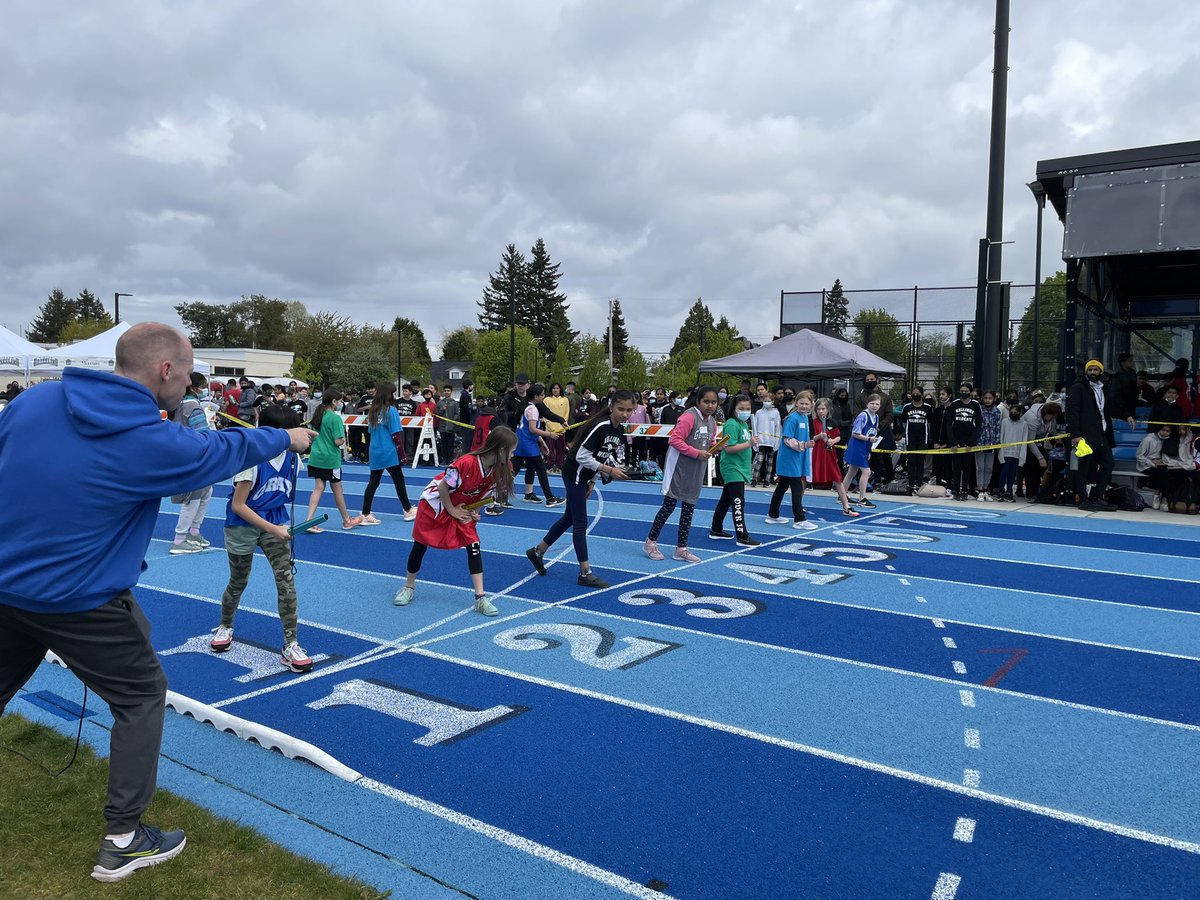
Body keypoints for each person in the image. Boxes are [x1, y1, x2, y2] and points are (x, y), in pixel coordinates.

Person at [0, 322, 314, 882]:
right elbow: (219, 448)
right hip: (79, 599)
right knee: (143, 697)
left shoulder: (36, 399)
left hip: (7, 587)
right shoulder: (149, 440)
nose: (193, 381)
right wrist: (285, 437)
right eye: (189, 371)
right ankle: (124, 839)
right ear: (164, 370)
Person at [212, 404, 314, 673]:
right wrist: (273, 529)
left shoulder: (294, 458)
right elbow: (238, 505)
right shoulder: (252, 459)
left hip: (276, 520)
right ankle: (226, 626)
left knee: (286, 581)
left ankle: (290, 644)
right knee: (238, 579)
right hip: (242, 525)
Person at [394, 427, 517, 616]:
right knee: (420, 544)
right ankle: (408, 586)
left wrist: (475, 512)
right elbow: (443, 487)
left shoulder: (499, 469)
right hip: (436, 505)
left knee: (474, 544)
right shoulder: (465, 463)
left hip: (463, 505)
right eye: (512, 451)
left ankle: (480, 598)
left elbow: (483, 493)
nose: (513, 456)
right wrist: (451, 510)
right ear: (501, 450)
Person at [526, 391, 634, 588]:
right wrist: (609, 470)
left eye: (629, 410)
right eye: (621, 409)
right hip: (574, 474)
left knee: (569, 518)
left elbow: (600, 456)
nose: (625, 414)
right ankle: (585, 572)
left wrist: (592, 481)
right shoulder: (600, 427)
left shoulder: (619, 430)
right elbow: (582, 456)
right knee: (580, 522)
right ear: (611, 407)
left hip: (584, 477)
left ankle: (538, 551)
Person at [644, 385, 720, 563]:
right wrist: (696, 453)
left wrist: (715, 449)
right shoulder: (688, 417)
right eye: (706, 401)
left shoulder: (712, 422)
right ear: (698, 401)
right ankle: (650, 542)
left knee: (688, 509)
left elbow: (708, 444)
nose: (710, 405)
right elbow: (675, 440)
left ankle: (681, 548)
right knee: (669, 507)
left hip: (695, 470)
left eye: (714, 402)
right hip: (678, 468)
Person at [1066, 359, 1128, 511]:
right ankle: (1083, 498)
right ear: (1086, 372)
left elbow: (1107, 410)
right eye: (1090, 370)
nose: (1092, 372)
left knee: (1108, 463)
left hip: (1102, 434)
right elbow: (1072, 412)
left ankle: (1097, 496)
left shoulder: (1104, 388)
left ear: (1101, 371)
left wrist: (1126, 415)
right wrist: (1075, 435)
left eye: (1095, 370)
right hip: (1085, 435)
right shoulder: (1078, 388)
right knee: (1084, 467)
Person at [168, 373, 217, 554]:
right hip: (193, 458)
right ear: (195, 388)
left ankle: (193, 532)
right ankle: (180, 539)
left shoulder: (177, 404)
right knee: (193, 497)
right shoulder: (192, 407)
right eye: (203, 386)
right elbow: (203, 435)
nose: (205, 390)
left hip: (183, 455)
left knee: (205, 492)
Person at [303, 390, 363, 531]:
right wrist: (342, 439)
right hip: (330, 459)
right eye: (339, 401)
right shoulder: (334, 418)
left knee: (318, 487)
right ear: (334, 402)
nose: (341, 404)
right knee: (337, 489)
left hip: (316, 457)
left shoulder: (317, 416)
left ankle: (309, 520)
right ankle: (347, 520)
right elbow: (337, 441)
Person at [359, 381, 416, 524]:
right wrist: (402, 455)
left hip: (375, 450)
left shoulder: (373, 411)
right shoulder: (391, 410)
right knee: (399, 480)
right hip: (389, 451)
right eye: (393, 392)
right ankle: (408, 510)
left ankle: (365, 512)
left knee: (373, 482)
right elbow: (396, 435)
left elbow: (370, 432)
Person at [710, 395, 760, 544]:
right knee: (738, 501)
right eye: (741, 409)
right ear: (734, 409)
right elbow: (730, 448)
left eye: (748, 409)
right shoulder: (732, 424)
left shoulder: (744, 424)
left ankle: (716, 529)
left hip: (740, 467)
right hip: (732, 467)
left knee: (726, 500)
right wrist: (749, 444)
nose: (745, 411)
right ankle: (742, 535)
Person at [766, 389, 817, 528]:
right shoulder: (792, 418)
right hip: (789, 458)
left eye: (807, 404)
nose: (804, 406)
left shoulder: (805, 418)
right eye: (801, 403)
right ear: (796, 403)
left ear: (811, 404)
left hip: (797, 457)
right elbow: (787, 439)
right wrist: (804, 445)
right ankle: (799, 519)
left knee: (782, 486)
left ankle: (773, 514)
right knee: (797, 488)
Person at [512, 383, 564, 507]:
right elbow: (532, 429)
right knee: (541, 471)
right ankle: (550, 499)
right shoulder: (533, 409)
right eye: (542, 395)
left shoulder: (525, 406)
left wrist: (541, 441)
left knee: (514, 471)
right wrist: (549, 435)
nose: (543, 397)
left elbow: (527, 428)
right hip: (528, 445)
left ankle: (501, 496)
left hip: (521, 442)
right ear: (535, 396)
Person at [812, 397, 861, 517]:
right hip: (816, 454)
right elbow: (809, 438)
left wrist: (832, 441)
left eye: (823, 409)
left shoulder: (832, 422)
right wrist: (819, 436)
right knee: (806, 478)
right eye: (818, 409)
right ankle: (798, 504)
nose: (821, 411)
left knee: (837, 478)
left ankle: (846, 507)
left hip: (829, 454)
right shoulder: (812, 422)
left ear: (828, 410)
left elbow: (838, 436)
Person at [944, 382, 983, 501]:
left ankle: (965, 490)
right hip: (956, 441)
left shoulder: (975, 404)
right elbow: (949, 424)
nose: (964, 393)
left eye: (966, 391)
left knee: (967, 467)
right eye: (962, 391)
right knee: (956, 466)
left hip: (969, 441)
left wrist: (971, 441)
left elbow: (979, 424)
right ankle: (956, 490)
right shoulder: (954, 404)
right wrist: (953, 442)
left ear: (970, 392)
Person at [842, 394, 881, 508]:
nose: (874, 406)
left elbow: (871, 434)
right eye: (872, 403)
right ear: (867, 404)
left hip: (864, 447)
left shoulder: (876, 417)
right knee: (866, 472)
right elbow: (855, 433)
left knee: (852, 472)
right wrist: (869, 439)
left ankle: (842, 495)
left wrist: (868, 450)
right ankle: (862, 498)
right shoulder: (863, 416)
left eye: (877, 404)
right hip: (856, 446)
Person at [994, 402, 1030, 501]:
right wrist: (1000, 452)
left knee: (1012, 473)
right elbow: (1001, 437)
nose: (1014, 413)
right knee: (1004, 472)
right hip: (1005, 452)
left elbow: (1024, 440)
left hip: (1016, 453)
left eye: (1016, 411)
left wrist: (1022, 457)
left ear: (1020, 413)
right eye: (1012, 411)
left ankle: (1009, 492)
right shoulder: (1005, 422)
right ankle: (1001, 491)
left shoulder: (1024, 424)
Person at [899, 388, 933, 490]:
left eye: (917, 394)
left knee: (920, 462)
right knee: (911, 461)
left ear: (922, 395)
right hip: (911, 438)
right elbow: (904, 421)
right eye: (913, 394)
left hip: (923, 438)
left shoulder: (927, 407)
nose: (915, 395)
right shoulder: (907, 407)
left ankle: (919, 484)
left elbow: (930, 422)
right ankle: (910, 484)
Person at [751, 390, 781, 487]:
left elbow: (778, 428)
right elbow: (754, 426)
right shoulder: (759, 413)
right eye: (765, 400)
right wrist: (754, 441)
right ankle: (754, 478)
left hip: (771, 442)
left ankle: (767, 480)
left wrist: (777, 443)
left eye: (769, 400)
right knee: (758, 461)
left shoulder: (776, 413)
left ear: (772, 401)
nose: (766, 402)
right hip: (760, 441)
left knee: (769, 462)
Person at [976, 390, 1001, 501]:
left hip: (991, 443)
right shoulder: (979, 410)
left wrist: (996, 442)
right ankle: (980, 489)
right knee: (980, 467)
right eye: (985, 398)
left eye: (990, 398)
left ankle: (986, 489)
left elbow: (997, 427)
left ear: (994, 399)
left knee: (989, 468)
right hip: (980, 442)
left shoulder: (997, 411)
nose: (987, 400)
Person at [544, 382, 571, 473]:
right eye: (554, 388)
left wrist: (563, 425)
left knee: (561, 449)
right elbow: (545, 414)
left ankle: (559, 466)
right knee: (550, 449)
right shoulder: (547, 399)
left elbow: (566, 414)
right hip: (549, 430)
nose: (555, 390)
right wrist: (549, 425)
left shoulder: (565, 400)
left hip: (561, 429)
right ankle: (550, 466)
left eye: (557, 388)